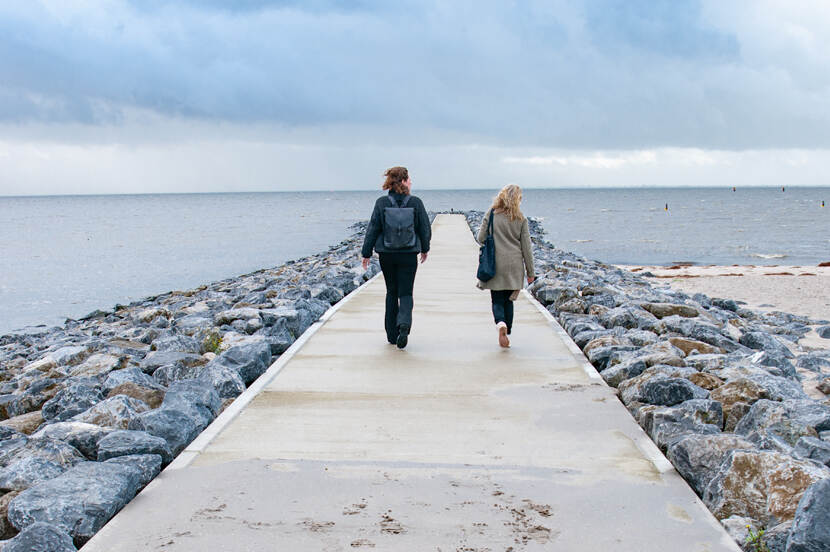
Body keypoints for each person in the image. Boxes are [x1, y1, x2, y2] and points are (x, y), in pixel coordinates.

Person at [361, 167, 431, 349]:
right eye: (409, 180)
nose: (411, 183)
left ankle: (392, 334)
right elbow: (424, 227)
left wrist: (366, 253)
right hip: (408, 254)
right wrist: (425, 248)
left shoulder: (382, 202)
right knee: (406, 292)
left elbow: (373, 228)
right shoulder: (415, 202)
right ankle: (404, 324)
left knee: (391, 292)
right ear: (403, 181)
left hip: (387, 254)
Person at [477, 184, 535, 348]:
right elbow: (527, 248)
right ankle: (507, 329)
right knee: (509, 300)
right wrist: (530, 273)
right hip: (514, 265)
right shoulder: (521, 218)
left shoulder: (492, 214)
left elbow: (480, 238)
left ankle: (500, 323)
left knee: (497, 299)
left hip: (495, 263)